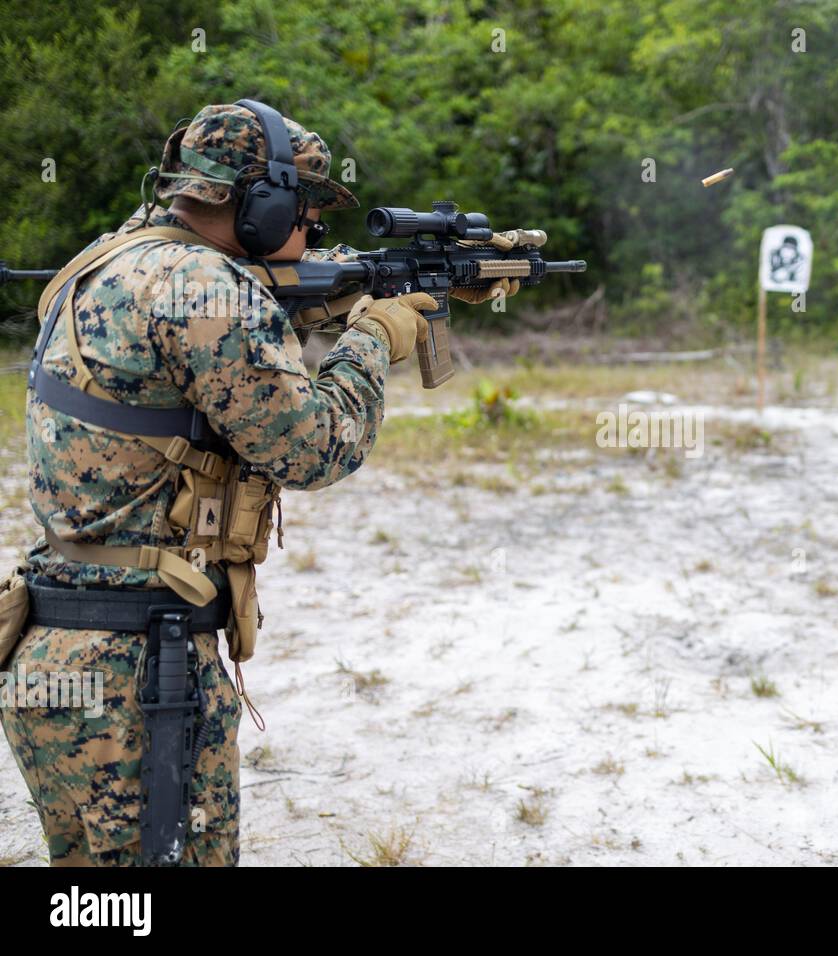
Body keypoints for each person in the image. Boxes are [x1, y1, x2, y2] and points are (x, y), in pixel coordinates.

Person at [0, 100, 515, 866]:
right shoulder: (214, 293)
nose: (310, 230)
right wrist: (372, 338)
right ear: (262, 202)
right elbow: (316, 448)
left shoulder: (107, 259)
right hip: (143, 671)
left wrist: (322, 302)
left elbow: (192, 368)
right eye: (304, 209)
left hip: (51, 648)